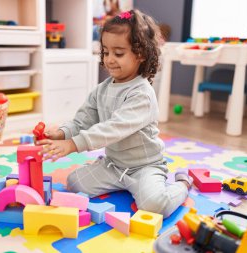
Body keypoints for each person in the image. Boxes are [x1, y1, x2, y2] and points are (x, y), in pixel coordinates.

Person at [36, 9, 192, 218]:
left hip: (144, 166)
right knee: (74, 182)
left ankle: (182, 184)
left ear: (141, 54)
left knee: (155, 205)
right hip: (114, 165)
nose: (109, 59)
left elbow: (114, 128)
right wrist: (62, 134)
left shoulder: (142, 93)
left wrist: (73, 145)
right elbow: (83, 120)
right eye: (106, 52)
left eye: (118, 53)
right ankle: (121, 182)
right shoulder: (102, 89)